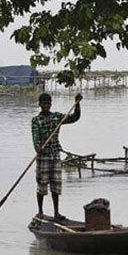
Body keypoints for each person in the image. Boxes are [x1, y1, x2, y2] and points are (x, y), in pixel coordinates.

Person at [31, 92, 82, 220]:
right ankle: (40, 211)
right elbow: (35, 136)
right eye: (43, 104)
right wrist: (37, 147)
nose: (46, 106)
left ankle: (56, 213)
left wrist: (77, 104)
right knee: (42, 184)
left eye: (48, 104)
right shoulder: (36, 120)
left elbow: (74, 118)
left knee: (56, 184)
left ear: (50, 104)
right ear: (40, 105)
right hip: (43, 156)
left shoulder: (56, 117)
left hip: (55, 154)